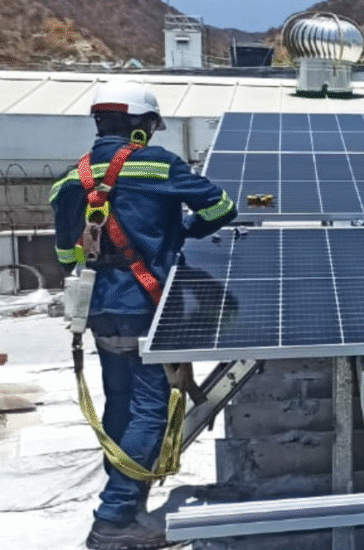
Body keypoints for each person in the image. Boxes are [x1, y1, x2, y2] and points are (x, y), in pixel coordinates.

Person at [50, 79, 237, 550]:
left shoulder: (70, 179)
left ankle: (128, 505)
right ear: (141, 125)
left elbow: (66, 255)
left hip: (97, 310)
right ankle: (114, 519)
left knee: (120, 403)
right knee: (151, 412)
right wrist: (183, 231)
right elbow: (222, 207)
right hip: (145, 307)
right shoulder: (158, 165)